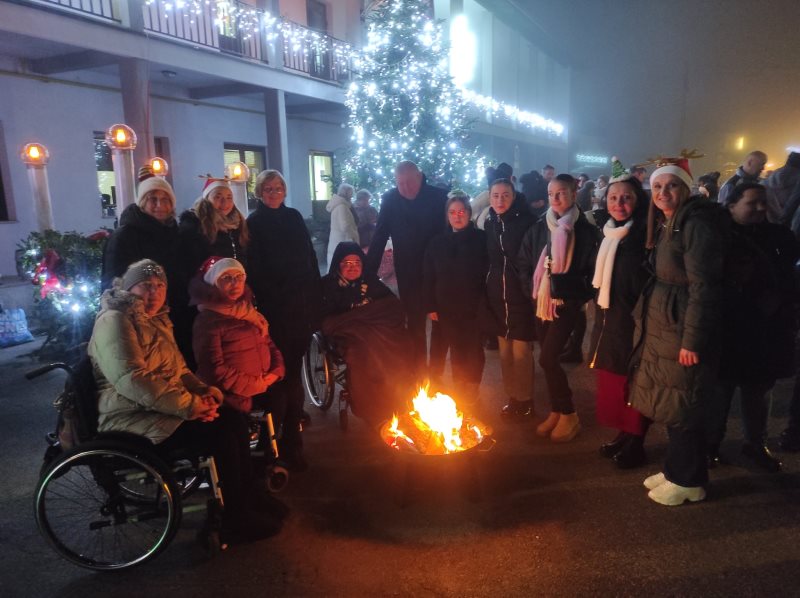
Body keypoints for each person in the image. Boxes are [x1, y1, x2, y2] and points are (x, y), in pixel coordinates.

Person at [88, 259, 284, 544]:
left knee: (232, 418)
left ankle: (249, 497)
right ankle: (235, 518)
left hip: (158, 406)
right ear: (129, 288)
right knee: (220, 434)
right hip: (129, 415)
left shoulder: (156, 319)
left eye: (160, 286)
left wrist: (205, 393)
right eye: (146, 285)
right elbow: (132, 379)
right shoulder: (115, 320)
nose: (154, 292)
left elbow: (180, 371)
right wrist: (189, 405)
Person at [628, 156, 725, 506]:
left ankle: (689, 480)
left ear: (685, 188)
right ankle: (676, 470)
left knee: (684, 403)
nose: (663, 193)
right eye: (657, 186)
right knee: (672, 401)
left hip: (682, 327)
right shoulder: (673, 222)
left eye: (671, 186)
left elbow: (704, 286)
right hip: (667, 324)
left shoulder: (695, 225)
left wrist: (692, 340)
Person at [706, 183, 798, 472]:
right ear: (732, 205)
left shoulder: (779, 235)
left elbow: (790, 277)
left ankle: (755, 444)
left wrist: (781, 302)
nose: (760, 208)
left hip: (764, 329)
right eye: (752, 203)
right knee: (720, 392)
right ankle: (710, 445)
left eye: (763, 202)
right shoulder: (716, 237)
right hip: (728, 327)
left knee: (757, 392)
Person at [246, 169, 322, 471]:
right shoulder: (254, 223)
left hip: (300, 309)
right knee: (280, 378)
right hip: (276, 312)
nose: (274, 193)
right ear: (259, 192)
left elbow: (310, 257)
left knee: (293, 376)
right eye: (268, 188)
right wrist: (278, 294)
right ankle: (277, 442)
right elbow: (256, 269)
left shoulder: (293, 217)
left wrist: (313, 293)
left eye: (278, 188)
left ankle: (291, 438)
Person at [519, 174, 599, 442]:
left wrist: (573, 297)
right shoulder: (540, 226)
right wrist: (532, 292)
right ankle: (556, 410)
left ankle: (569, 413)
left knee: (547, 358)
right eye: (551, 193)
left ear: (574, 195)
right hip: (541, 303)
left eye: (561, 193)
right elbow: (524, 260)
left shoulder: (585, 231)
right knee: (548, 360)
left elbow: (592, 272)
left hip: (566, 305)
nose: (555, 198)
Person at [587, 161, 651, 468]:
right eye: (613, 198)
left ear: (638, 200)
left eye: (626, 198)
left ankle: (637, 441)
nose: (619, 203)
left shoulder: (645, 236)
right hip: (609, 320)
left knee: (636, 383)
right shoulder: (608, 233)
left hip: (636, 322)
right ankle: (624, 433)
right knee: (615, 381)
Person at [364, 161, 448, 380]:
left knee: (440, 323)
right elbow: (379, 237)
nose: (406, 188)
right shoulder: (390, 199)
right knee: (415, 323)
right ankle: (418, 373)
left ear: (420, 177)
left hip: (437, 271)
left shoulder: (439, 197)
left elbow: (450, 234)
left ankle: (436, 374)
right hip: (408, 271)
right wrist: (367, 274)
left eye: (410, 182)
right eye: (400, 184)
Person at [321, 242, 414, 426]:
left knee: (403, 345)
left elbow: (393, 307)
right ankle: (370, 409)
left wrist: (362, 314)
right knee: (362, 352)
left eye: (357, 263)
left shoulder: (371, 282)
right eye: (347, 263)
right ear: (338, 264)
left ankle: (397, 398)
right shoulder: (327, 286)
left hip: (378, 332)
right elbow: (327, 322)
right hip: (350, 335)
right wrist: (359, 315)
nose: (352, 267)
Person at [191, 257, 285, 415]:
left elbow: (269, 344)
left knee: (281, 401)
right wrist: (254, 385)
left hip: (263, 385)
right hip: (231, 396)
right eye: (227, 278)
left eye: (239, 277)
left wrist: (276, 371)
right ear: (214, 283)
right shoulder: (207, 320)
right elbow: (213, 368)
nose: (235, 283)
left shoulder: (249, 314)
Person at [174, 177, 250, 367]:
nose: (224, 202)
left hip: (235, 293)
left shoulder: (237, 224)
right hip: (209, 299)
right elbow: (190, 265)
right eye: (218, 197)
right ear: (207, 198)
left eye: (229, 197)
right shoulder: (194, 226)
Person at [423, 191, 488, 404]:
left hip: (473, 306)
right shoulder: (437, 243)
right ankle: (455, 387)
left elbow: (488, 272)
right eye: (452, 212)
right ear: (447, 216)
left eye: (461, 212)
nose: (457, 216)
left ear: (469, 213)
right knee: (450, 349)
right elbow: (429, 276)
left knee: (472, 349)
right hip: (444, 306)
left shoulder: (481, 239)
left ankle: (471, 387)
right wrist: (430, 305)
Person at [484, 178, 536, 419]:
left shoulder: (527, 222)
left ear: (514, 196)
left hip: (521, 294)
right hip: (497, 294)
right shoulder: (490, 222)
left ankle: (525, 400)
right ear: (489, 197)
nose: (500, 200)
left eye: (505, 195)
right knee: (504, 352)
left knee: (521, 351)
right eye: (495, 195)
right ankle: (512, 396)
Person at [101, 169, 179, 292]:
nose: (159, 205)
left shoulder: (175, 233)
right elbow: (114, 283)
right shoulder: (124, 237)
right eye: (153, 199)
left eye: (165, 200)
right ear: (142, 203)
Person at [326, 183, 359, 266]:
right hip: (344, 241)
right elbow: (344, 226)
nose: (352, 196)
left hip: (338, 241)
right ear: (346, 193)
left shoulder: (339, 205)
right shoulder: (342, 207)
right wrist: (354, 236)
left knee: (337, 265)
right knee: (342, 267)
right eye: (351, 194)